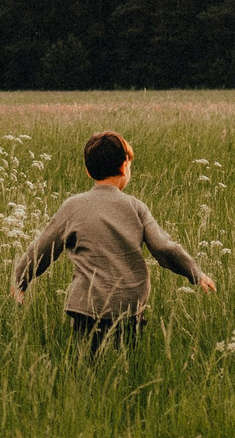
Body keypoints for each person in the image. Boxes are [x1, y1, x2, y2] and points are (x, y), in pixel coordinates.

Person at [12, 130, 214, 354]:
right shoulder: (136, 207)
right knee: (126, 361)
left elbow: (42, 247)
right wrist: (195, 273)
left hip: (87, 306)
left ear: (88, 171)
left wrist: (20, 281)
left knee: (88, 365)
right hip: (128, 306)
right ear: (125, 165)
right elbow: (163, 246)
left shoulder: (73, 206)